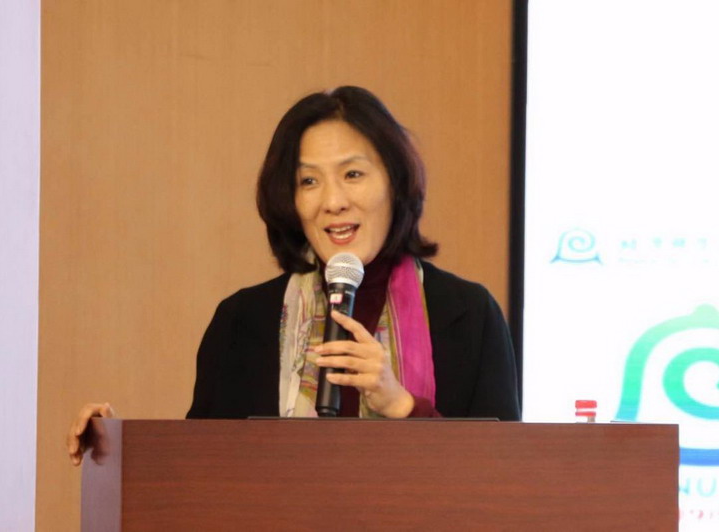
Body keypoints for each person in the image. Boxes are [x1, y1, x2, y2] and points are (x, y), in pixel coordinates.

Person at [68, 86, 520, 465]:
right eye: (309, 181)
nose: (333, 201)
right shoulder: (243, 321)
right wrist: (117, 446)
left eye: (353, 174)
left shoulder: (468, 315)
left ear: (395, 183)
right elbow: (204, 474)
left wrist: (402, 405)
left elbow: (502, 481)